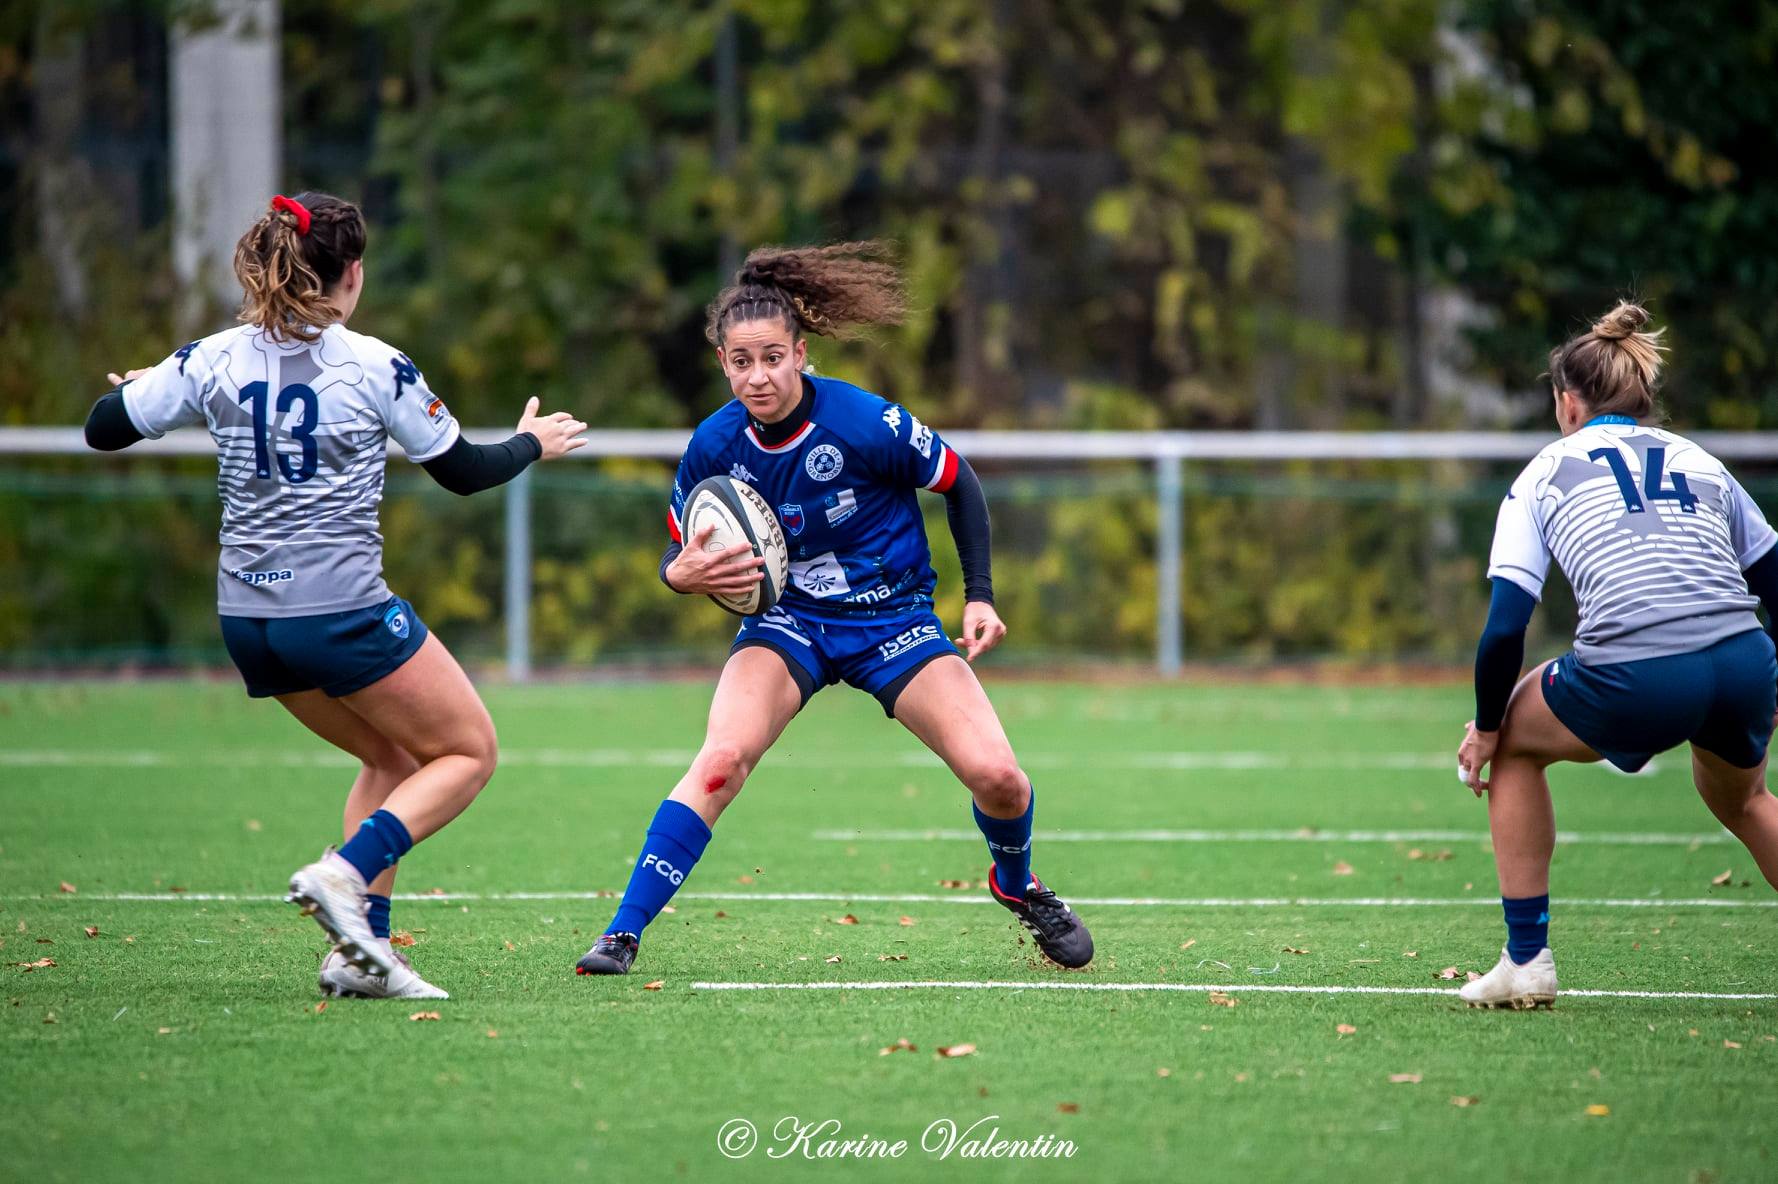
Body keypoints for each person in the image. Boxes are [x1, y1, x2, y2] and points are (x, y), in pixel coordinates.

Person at [85, 192, 587, 999]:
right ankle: (344, 875)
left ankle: (359, 956)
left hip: (249, 620)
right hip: (338, 612)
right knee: (467, 753)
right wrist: (535, 442)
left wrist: (151, 382)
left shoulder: (209, 358)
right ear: (351, 274)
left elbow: (103, 427)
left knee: (390, 756)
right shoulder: (372, 363)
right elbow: (463, 472)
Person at [573, 242, 1093, 976]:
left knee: (1000, 778)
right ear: (723, 363)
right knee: (721, 761)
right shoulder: (713, 446)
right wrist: (677, 575)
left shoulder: (862, 421)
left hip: (895, 621)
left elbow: (959, 482)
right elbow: (680, 553)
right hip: (788, 626)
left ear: (800, 354)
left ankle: (1017, 885)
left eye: (772, 358)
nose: (758, 375)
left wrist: (978, 598)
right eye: (741, 361)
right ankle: (621, 934)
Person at [1456, 301, 1778, 1008]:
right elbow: (1773, 579)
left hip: (1639, 671)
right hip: (1742, 658)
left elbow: (1506, 628)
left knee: (1512, 740)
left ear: (1566, 402)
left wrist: (1484, 724)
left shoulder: (1543, 471)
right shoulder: (1699, 460)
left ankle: (1526, 960)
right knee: (1747, 801)